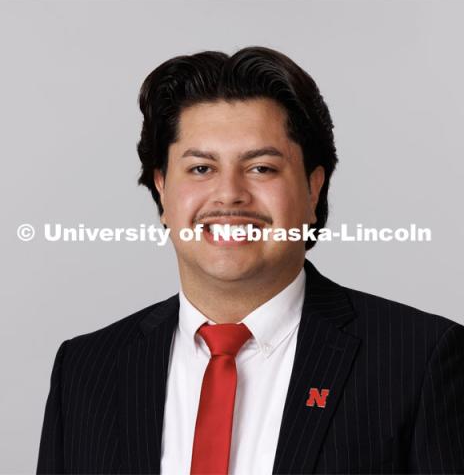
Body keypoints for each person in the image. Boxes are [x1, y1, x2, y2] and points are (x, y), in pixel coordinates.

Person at [37, 46, 464, 475]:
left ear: (313, 189)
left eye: (261, 168)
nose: (229, 194)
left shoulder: (419, 361)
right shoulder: (86, 370)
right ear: (162, 190)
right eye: (201, 169)